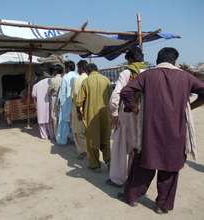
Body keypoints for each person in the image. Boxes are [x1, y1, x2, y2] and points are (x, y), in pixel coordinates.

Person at [120, 47, 204, 214]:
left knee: (143, 164)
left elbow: (126, 91)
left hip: (150, 131)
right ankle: (162, 205)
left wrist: (133, 107)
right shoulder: (185, 77)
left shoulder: (147, 75)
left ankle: (131, 196)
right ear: (175, 61)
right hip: (175, 132)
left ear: (158, 60)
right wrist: (191, 106)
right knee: (170, 169)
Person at [108, 47, 146, 187]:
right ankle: (133, 178)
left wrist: (114, 113)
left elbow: (116, 95)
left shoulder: (127, 72)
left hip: (127, 112)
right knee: (137, 146)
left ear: (129, 59)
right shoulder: (148, 72)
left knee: (120, 146)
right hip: (143, 114)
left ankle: (118, 179)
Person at [76, 63, 112, 171]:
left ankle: (95, 165)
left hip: (91, 116)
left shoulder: (86, 81)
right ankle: (109, 161)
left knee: (92, 141)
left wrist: (79, 113)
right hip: (105, 114)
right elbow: (112, 98)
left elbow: (78, 102)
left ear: (87, 71)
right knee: (105, 138)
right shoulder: (106, 80)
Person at [56, 60, 78, 145]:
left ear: (68, 68)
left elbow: (62, 92)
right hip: (75, 103)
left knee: (64, 123)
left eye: (65, 67)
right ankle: (73, 139)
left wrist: (59, 103)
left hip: (65, 103)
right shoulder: (77, 76)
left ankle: (62, 140)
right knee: (74, 122)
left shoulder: (65, 77)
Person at [71, 60, 88, 159]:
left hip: (79, 109)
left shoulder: (78, 79)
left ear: (81, 68)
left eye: (78, 68)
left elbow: (74, 96)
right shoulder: (90, 78)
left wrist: (78, 111)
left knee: (78, 131)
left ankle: (82, 151)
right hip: (90, 109)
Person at [32, 72, 53, 140]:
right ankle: (51, 135)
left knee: (41, 122)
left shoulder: (36, 85)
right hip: (49, 104)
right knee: (49, 121)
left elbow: (34, 96)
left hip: (40, 105)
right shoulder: (50, 81)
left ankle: (44, 136)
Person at [48, 64, 64, 137]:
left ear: (56, 71)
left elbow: (49, 91)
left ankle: (56, 134)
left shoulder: (53, 80)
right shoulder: (64, 79)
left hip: (54, 98)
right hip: (63, 99)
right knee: (61, 117)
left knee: (54, 117)